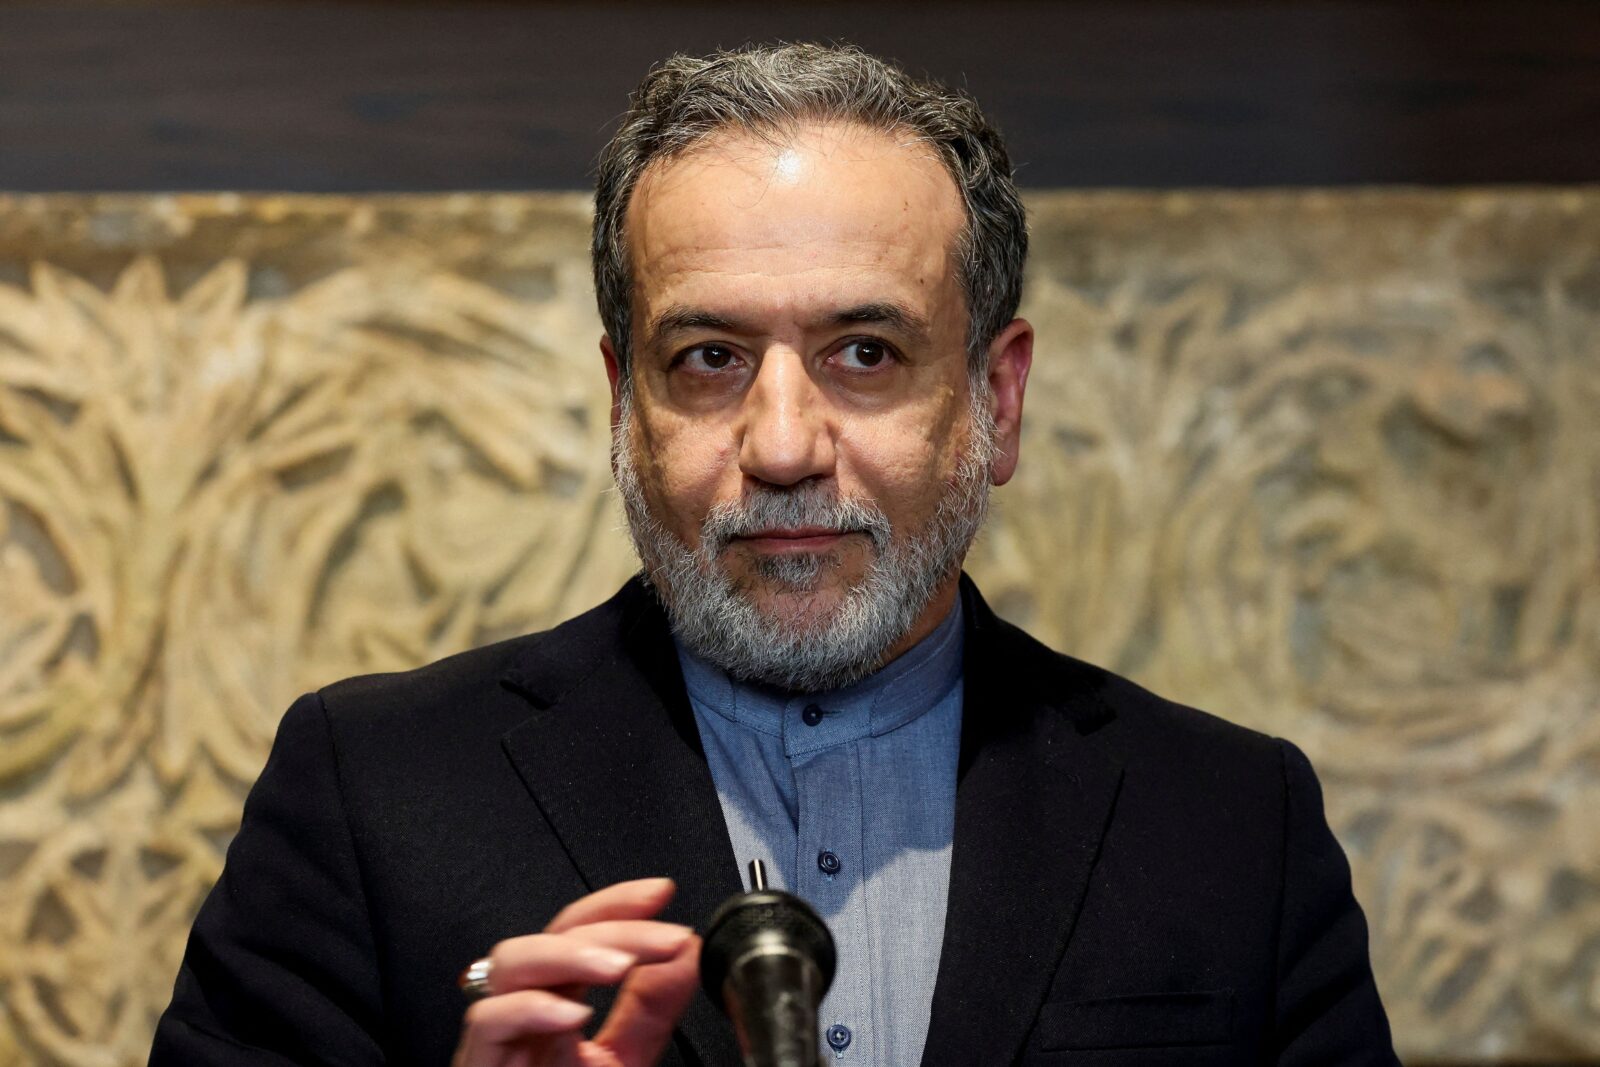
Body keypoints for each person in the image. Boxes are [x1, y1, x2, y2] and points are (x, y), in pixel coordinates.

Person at [150, 43, 1398, 1067]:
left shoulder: (1234, 822)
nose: (785, 445)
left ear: (997, 399)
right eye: (709, 359)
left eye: (865, 352)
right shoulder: (369, 789)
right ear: (623, 403)